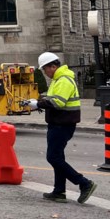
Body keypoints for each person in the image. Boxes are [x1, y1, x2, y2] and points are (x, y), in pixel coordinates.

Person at [34, 52, 97, 204]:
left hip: (62, 124)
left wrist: (37, 104)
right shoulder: (59, 79)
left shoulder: (63, 80)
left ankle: (84, 183)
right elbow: (53, 100)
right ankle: (59, 191)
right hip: (60, 123)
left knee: (53, 157)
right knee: (58, 157)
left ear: (53, 66)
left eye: (45, 69)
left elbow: (58, 103)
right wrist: (38, 102)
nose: (45, 72)